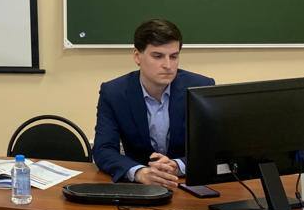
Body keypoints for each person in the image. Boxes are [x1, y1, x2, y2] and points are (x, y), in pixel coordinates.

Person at [92, 19, 214, 187]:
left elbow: (211, 146)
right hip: (140, 188)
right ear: (137, 56)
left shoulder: (200, 87)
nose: (168, 65)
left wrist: (178, 166)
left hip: (186, 183)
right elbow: (103, 149)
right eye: (158, 56)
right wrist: (139, 172)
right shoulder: (114, 93)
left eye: (174, 56)